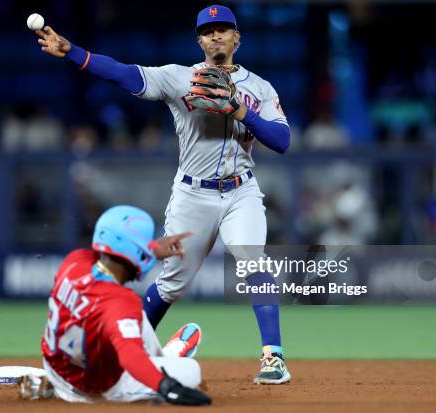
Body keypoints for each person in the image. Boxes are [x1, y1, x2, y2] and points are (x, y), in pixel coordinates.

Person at [34, 4, 291, 384]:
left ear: (237, 36)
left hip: (241, 192)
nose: (216, 35)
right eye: (208, 30)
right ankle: (123, 351)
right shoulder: (178, 78)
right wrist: (73, 52)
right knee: (172, 282)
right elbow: (124, 75)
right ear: (199, 40)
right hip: (193, 194)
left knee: (253, 260)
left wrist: (241, 111)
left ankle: (274, 358)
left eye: (223, 29)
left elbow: (282, 141)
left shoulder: (260, 88)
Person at [18, 205, 211, 405]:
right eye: (144, 246)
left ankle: (51, 384)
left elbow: (115, 253)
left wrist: (152, 249)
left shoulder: (75, 261)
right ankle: (169, 359)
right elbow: (129, 356)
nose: (147, 250)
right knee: (191, 371)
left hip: (55, 366)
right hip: (91, 388)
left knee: (133, 320)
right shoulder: (120, 302)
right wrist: (165, 387)